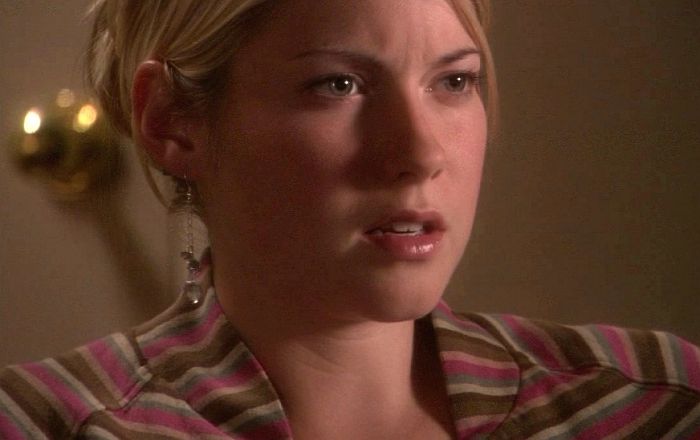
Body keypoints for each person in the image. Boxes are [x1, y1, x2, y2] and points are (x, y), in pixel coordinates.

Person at [1, 0, 699, 438]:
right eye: (339, 84)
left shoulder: (657, 402)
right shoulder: (42, 424)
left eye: (454, 81)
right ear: (171, 120)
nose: (421, 153)